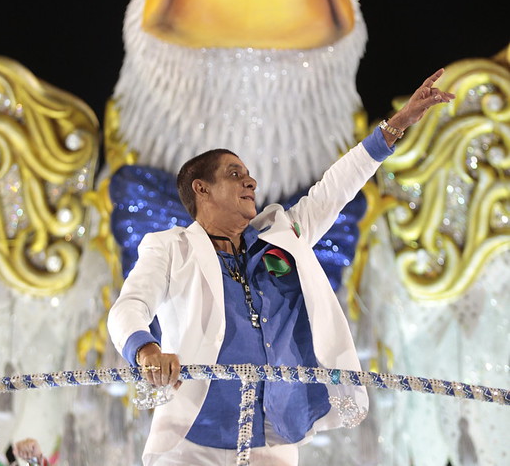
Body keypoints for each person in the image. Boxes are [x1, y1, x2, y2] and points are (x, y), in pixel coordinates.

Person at [107, 68, 455, 465]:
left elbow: (335, 188)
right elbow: (128, 307)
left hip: (273, 440)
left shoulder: (284, 235)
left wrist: (394, 127)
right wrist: (146, 349)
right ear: (201, 189)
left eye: (250, 176)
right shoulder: (170, 247)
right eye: (235, 174)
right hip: (192, 443)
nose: (251, 182)